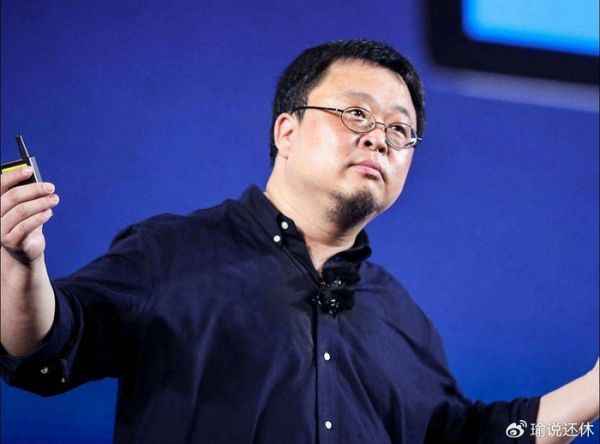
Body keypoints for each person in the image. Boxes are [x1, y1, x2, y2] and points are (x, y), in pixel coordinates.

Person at [1, 39, 598, 444]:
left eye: (400, 129)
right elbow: (44, 350)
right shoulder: (170, 252)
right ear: (286, 131)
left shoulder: (403, 319)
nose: (380, 138)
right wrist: (22, 265)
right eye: (357, 114)